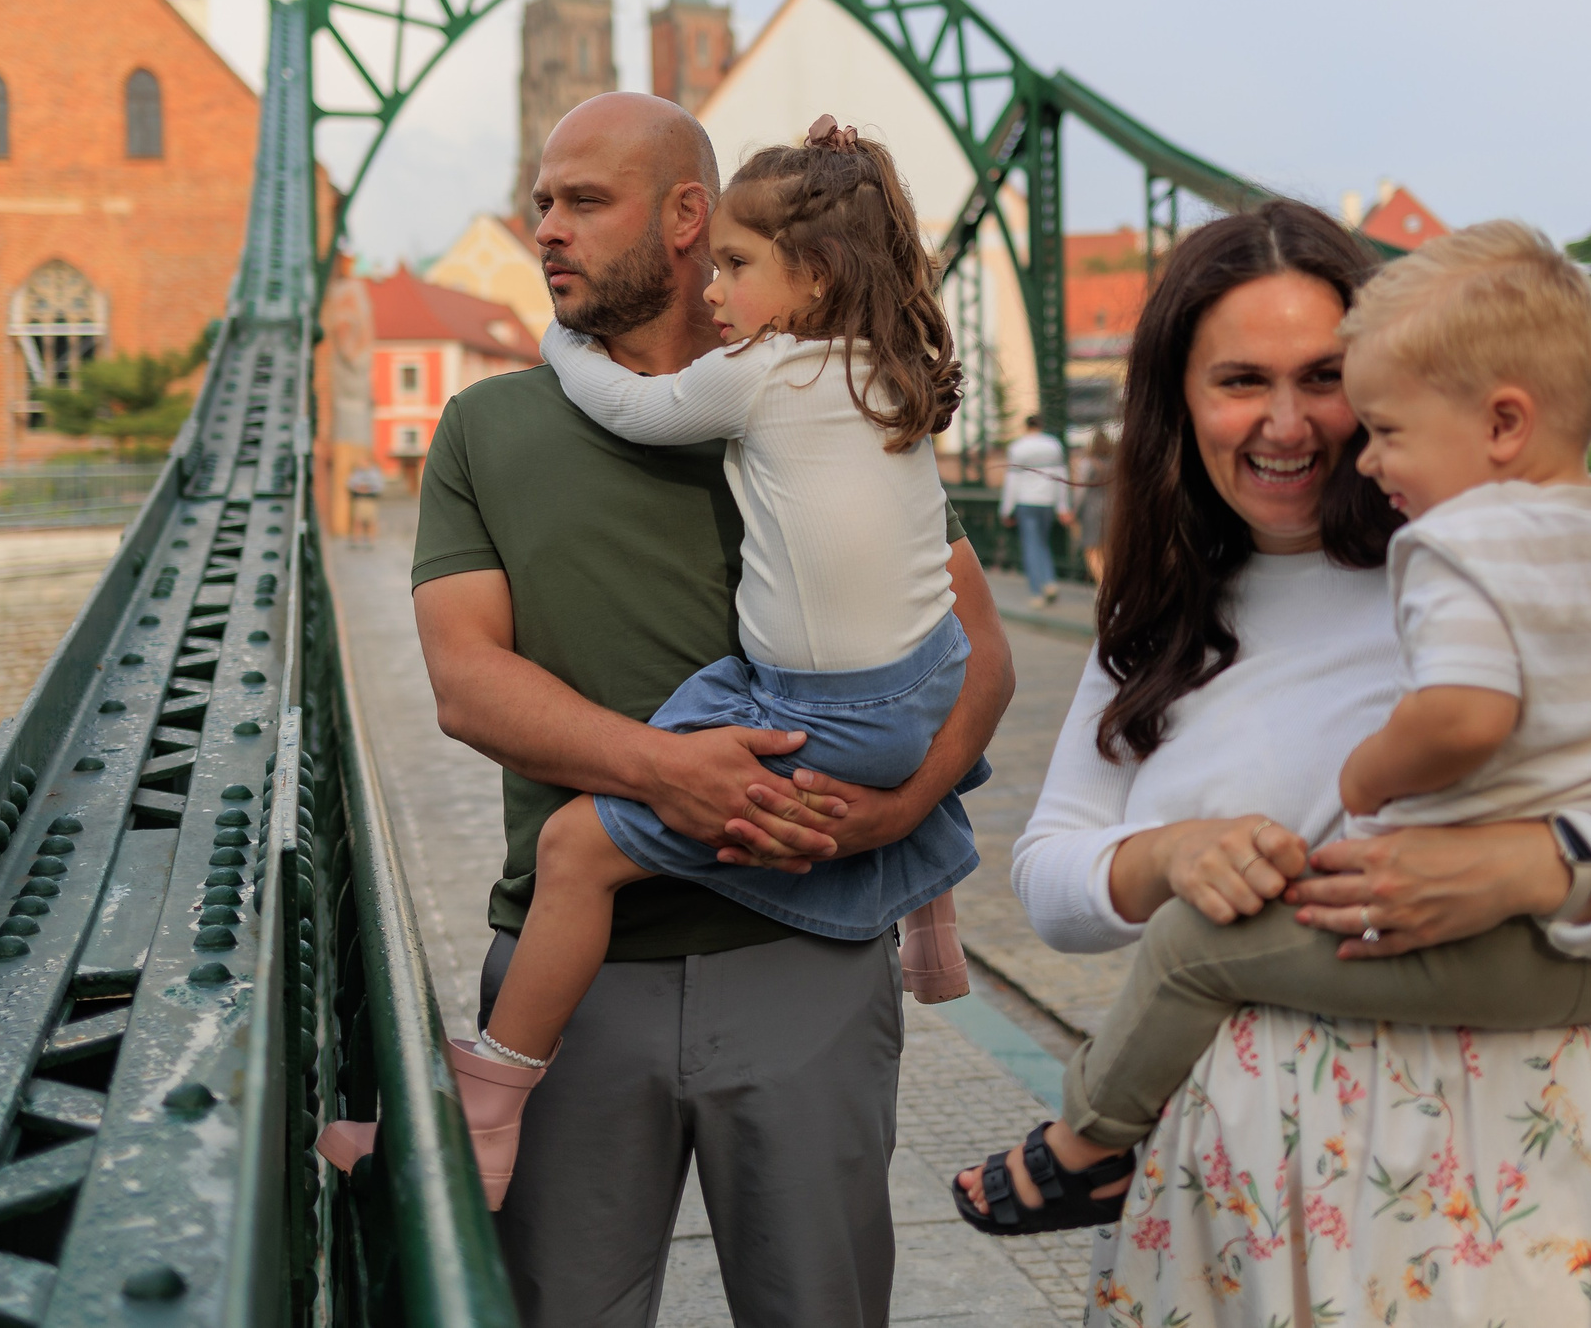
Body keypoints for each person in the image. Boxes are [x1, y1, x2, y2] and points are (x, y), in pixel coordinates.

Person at [950, 202, 1591, 1322]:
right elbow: (1052, 881)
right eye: (1242, 380)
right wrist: (1164, 856)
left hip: (1514, 1173)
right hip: (1245, 1188)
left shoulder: (1498, 573)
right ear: (1181, 401)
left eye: (1325, 378)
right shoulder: (1161, 620)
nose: (1290, 424)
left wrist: (1528, 867)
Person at [369, 92, 1013, 1328]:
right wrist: (669, 776)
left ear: (682, 217)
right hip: (583, 981)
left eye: (581, 201)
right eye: (540, 200)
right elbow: (464, 681)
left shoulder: (829, 400)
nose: (544, 227)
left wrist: (902, 813)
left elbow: (972, 652)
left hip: (805, 962)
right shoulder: (486, 426)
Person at [1001, 414, 1073, 605]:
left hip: (1026, 501)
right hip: (1048, 501)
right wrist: (1063, 505)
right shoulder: (1053, 445)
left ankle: (1036, 592)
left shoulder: (1017, 448)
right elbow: (1061, 476)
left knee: (1030, 546)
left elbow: (1012, 481)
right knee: (1042, 543)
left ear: (1026, 426)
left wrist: (1007, 509)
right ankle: (1049, 581)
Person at [1075, 428, 1115, 583]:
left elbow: (1081, 490)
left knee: (1092, 549)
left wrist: (1074, 510)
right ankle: (1109, 581)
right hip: (1113, 507)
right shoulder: (1115, 463)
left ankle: (1102, 582)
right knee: (1108, 549)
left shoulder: (1088, 463)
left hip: (1092, 509)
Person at [345, 458, 385, 548]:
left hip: (370, 500)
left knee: (371, 521)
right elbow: (350, 483)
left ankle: (371, 541)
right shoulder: (357, 473)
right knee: (357, 520)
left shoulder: (374, 473)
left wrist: (368, 488)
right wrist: (359, 488)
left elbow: (379, 486)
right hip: (360, 499)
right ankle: (356, 540)